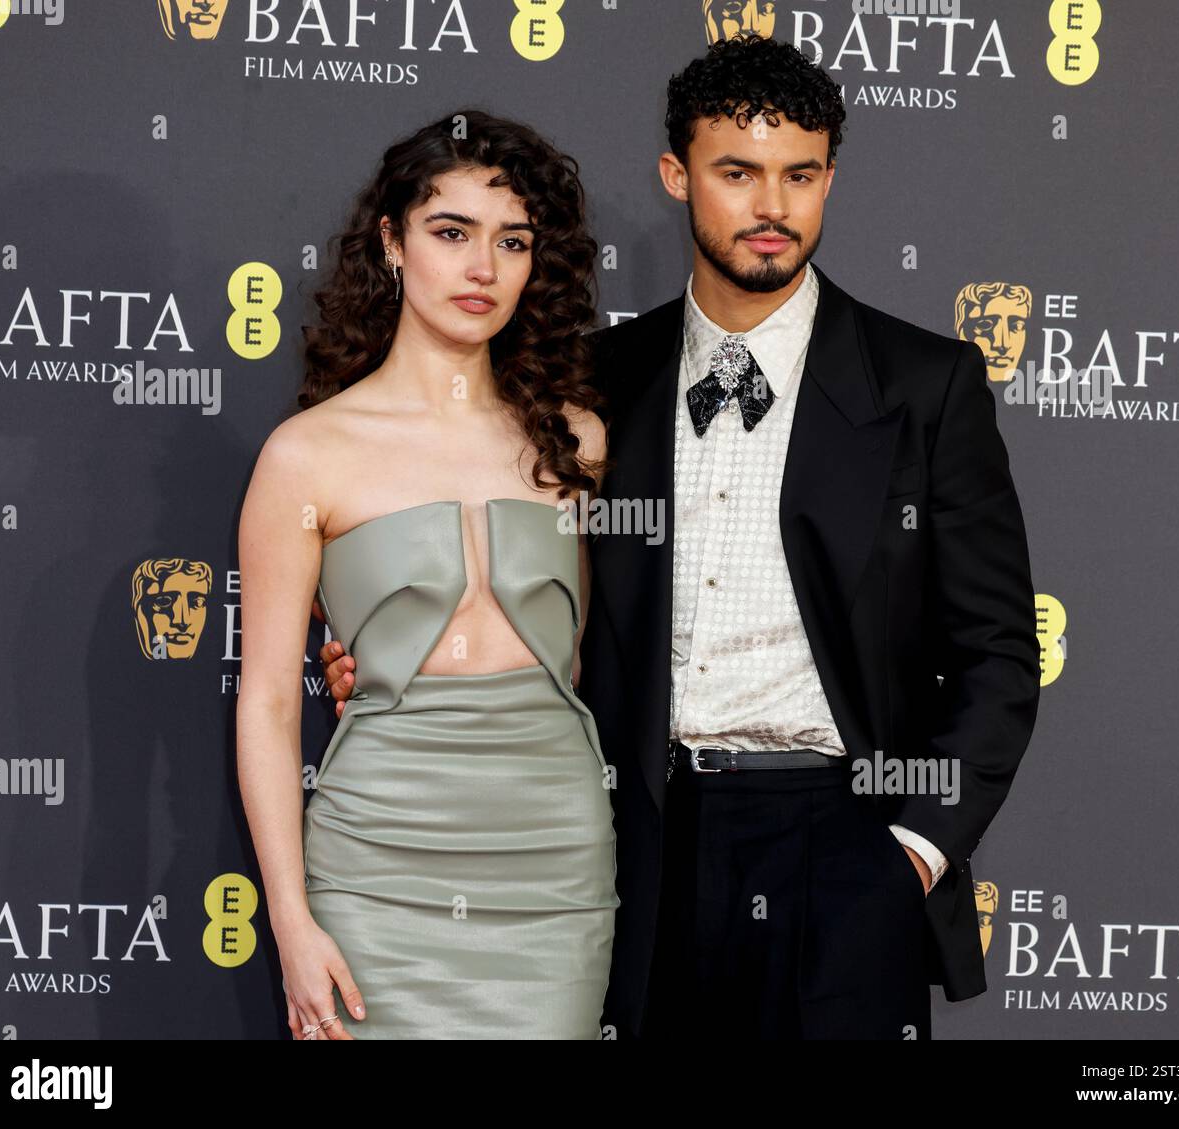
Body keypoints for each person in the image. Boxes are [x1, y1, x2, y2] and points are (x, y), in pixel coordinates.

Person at [325, 34, 1041, 1040]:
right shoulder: (593, 382)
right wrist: (396, 647)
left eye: (800, 175)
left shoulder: (925, 386)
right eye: (737, 172)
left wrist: (910, 853)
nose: (771, 207)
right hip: (632, 842)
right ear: (677, 175)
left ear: (830, 176)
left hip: (839, 837)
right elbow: (520, 584)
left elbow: (1000, 655)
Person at [237, 109, 618, 1040]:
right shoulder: (308, 456)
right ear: (393, 243)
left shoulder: (575, 443)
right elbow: (268, 704)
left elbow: (573, 658)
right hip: (376, 859)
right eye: (451, 233)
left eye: (512, 241)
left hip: (552, 859)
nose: (482, 268)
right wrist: (289, 919)